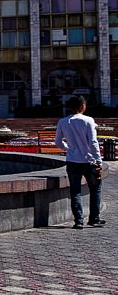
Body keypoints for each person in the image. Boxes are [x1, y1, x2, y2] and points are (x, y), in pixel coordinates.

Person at [55, 95, 106, 229]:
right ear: (82, 106)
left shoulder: (63, 121)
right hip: (89, 161)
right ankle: (94, 218)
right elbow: (93, 142)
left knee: (75, 191)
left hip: (72, 161)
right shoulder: (88, 120)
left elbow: (57, 142)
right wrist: (98, 161)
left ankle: (78, 220)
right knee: (95, 189)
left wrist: (68, 149)